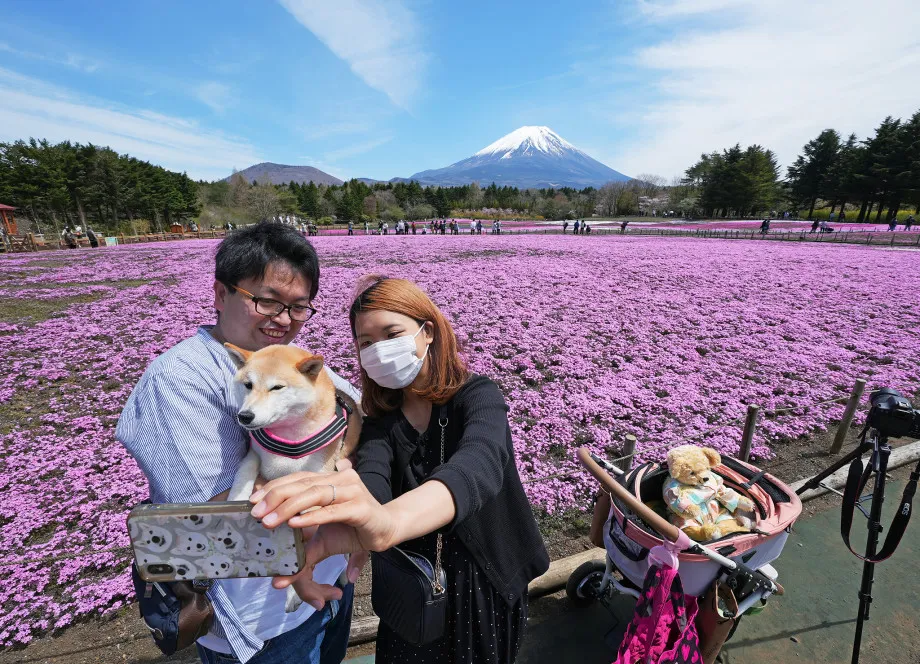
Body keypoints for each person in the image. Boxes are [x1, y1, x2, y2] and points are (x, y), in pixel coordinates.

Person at [250, 276, 549, 664]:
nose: (379, 351)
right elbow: (371, 480)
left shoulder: (477, 396)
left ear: (427, 332)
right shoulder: (379, 422)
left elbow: (480, 464)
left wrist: (388, 523)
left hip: (486, 580)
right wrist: (356, 522)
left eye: (392, 333)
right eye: (366, 343)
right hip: (414, 584)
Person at [116, 223, 363, 664]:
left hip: (328, 586)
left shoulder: (291, 360)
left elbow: (355, 417)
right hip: (260, 627)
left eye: (298, 306)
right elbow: (211, 520)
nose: (283, 319)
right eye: (266, 300)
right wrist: (336, 487)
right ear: (220, 294)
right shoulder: (181, 379)